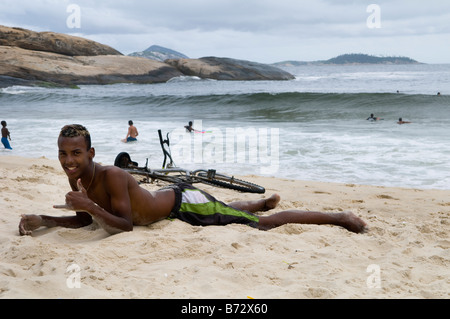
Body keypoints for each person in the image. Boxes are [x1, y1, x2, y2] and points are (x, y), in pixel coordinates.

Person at [18, 124, 367, 236]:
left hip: (183, 203)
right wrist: (45, 221)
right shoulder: (78, 185)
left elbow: (123, 226)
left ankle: (339, 217)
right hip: (169, 209)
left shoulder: (112, 176)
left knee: (261, 225)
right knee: (227, 209)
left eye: (76, 154)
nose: (69, 161)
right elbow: (85, 220)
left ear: (91, 154)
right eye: (64, 154)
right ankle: (258, 201)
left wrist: (89, 205)